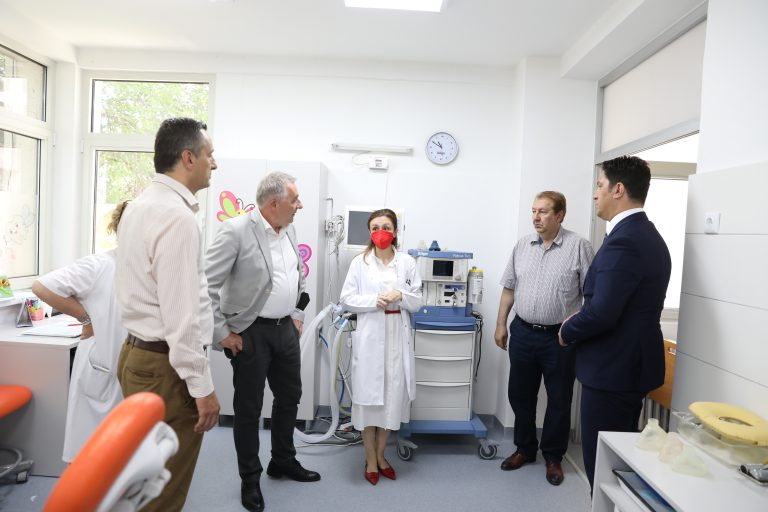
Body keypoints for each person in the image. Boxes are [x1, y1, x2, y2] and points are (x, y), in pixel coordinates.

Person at [115, 117, 221, 512]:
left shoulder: (139, 206)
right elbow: (181, 316)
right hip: (166, 368)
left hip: (138, 357)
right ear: (188, 158)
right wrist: (202, 387)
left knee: (144, 477)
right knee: (164, 487)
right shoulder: (176, 217)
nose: (214, 163)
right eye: (210, 155)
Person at [205, 171, 319, 512]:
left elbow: (296, 275)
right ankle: (250, 479)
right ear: (274, 203)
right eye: (295, 200)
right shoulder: (236, 231)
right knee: (249, 409)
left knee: (290, 397)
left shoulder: (289, 228)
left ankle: (282, 460)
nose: (300, 205)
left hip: (285, 330)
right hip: (250, 332)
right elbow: (206, 287)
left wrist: (297, 314)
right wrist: (222, 333)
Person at [558, 156, 671, 489]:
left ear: (617, 189)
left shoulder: (625, 241)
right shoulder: (644, 234)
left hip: (613, 369)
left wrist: (567, 329)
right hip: (626, 366)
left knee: (603, 466)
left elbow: (603, 312)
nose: (595, 194)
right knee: (617, 460)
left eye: (599, 185)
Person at [494, 191, 593, 486]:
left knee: (559, 399)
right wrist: (501, 324)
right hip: (523, 332)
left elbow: (592, 295)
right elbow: (509, 288)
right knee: (520, 395)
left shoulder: (579, 246)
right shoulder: (522, 246)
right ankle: (525, 449)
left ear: (560, 215)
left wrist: (576, 329)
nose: (536, 217)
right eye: (534, 211)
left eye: (544, 212)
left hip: (559, 338)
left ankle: (553, 457)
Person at [31, 202, 129, 463]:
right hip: (104, 362)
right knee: (96, 449)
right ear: (120, 228)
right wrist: (86, 318)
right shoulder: (100, 265)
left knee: (128, 448)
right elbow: (41, 287)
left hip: (135, 366)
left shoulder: (152, 266)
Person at [339, 209, 423, 486]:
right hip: (371, 332)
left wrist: (402, 294)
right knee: (368, 400)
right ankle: (370, 459)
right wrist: (373, 300)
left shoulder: (407, 263)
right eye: (375, 227)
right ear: (369, 232)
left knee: (391, 398)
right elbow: (346, 299)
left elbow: (418, 300)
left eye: (386, 227)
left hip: (397, 333)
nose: (380, 232)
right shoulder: (359, 263)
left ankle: (381, 455)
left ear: (395, 231)